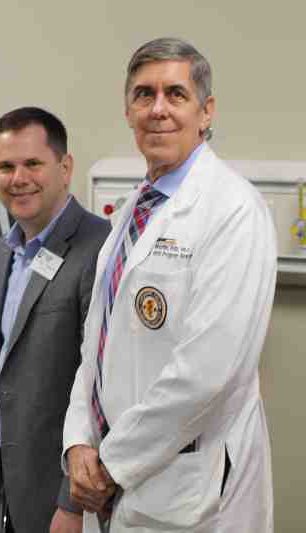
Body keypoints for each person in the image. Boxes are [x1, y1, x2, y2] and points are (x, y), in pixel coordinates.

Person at [62, 37, 276, 533]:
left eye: (175, 94)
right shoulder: (131, 213)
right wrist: (77, 441)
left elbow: (207, 373)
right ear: (128, 111)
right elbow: (94, 346)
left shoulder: (234, 211)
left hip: (188, 487)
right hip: (113, 478)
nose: (157, 109)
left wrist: (110, 464)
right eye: (143, 94)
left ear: (206, 111)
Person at [0, 107, 110, 533]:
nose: (19, 178)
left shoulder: (99, 249)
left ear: (65, 168)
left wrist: (73, 503)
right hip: (11, 476)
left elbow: (105, 386)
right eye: (5, 166)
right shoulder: (6, 251)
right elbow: (19, 345)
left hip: (65, 489)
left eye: (33, 163)